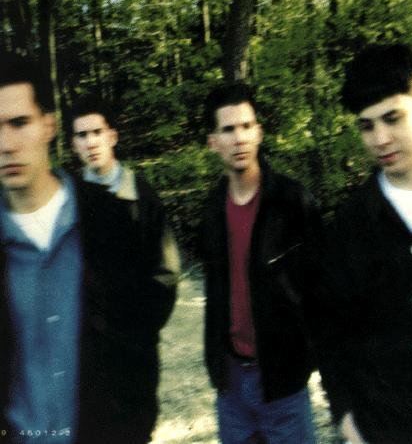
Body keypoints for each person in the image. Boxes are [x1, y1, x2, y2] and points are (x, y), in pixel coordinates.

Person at [0, 53, 179, 443]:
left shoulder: (113, 220)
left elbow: (146, 318)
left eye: (19, 123)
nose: (6, 144)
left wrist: (134, 424)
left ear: (48, 125)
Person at [318, 43, 412, 444]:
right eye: (367, 126)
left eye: (393, 118)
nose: (381, 139)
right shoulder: (350, 224)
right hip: (383, 432)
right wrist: (346, 421)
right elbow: (331, 335)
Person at [200, 82, 321, 443]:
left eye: (246, 126)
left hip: (283, 383)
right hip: (232, 386)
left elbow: (320, 290)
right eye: (228, 129)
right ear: (213, 142)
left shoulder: (292, 202)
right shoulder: (211, 210)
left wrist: (302, 361)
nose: (239, 138)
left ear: (259, 132)